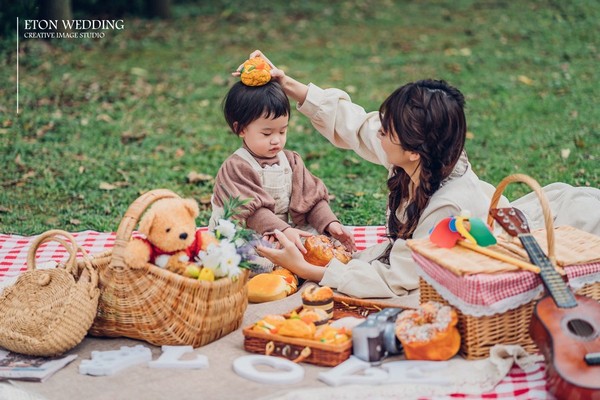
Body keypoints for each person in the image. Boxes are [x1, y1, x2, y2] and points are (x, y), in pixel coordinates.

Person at [249, 50, 600, 302]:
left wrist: (309, 270)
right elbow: (357, 125)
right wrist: (289, 84)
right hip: (529, 215)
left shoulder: (448, 211)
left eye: (387, 129)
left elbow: (401, 278)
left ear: (414, 148)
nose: (379, 131)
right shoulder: (422, 157)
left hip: (569, 232)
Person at [210, 80, 355, 257]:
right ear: (240, 129)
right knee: (248, 258)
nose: (276, 140)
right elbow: (253, 212)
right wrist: (283, 231)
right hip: (245, 231)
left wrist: (329, 223)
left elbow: (310, 199)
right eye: (267, 133)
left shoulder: (291, 160)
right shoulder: (236, 167)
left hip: (283, 230)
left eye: (282, 131)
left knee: (319, 245)